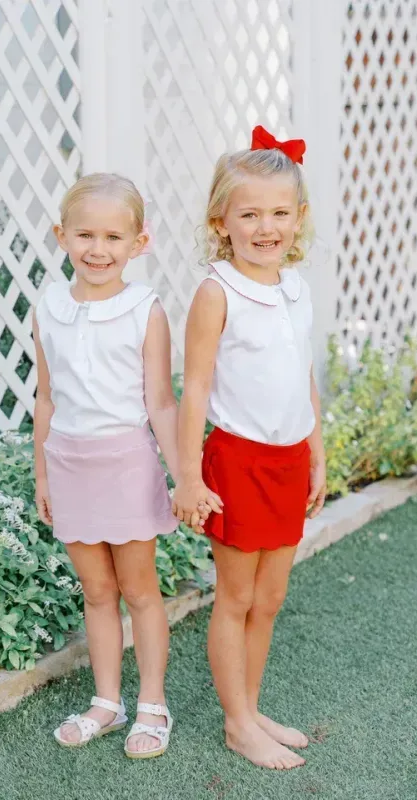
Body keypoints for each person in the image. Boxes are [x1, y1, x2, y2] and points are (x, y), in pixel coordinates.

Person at [33, 173, 204, 759]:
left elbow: (161, 400)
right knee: (97, 590)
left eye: (112, 236)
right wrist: (42, 473)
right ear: (62, 236)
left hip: (127, 464)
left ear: (138, 242)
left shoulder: (144, 310)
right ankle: (107, 703)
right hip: (70, 464)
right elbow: (46, 397)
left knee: (138, 589)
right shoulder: (49, 306)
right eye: (85, 234)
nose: (97, 249)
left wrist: (186, 475)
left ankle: (153, 705)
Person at [172, 126, 327, 770]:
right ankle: (237, 724)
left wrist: (317, 451)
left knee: (270, 600)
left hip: (290, 460)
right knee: (235, 598)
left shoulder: (297, 288)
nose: (267, 227)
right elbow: (195, 389)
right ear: (222, 220)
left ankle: (252, 705)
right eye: (251, 213)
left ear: (299, 218)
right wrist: (187, 476)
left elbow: (303, 375)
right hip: (237, 462)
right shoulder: (217, 293)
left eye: (280, 213)